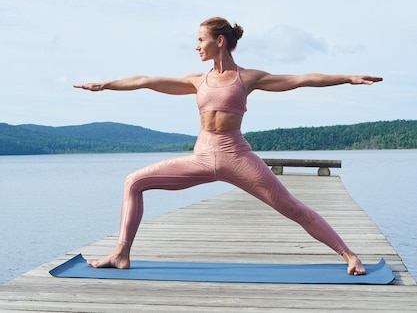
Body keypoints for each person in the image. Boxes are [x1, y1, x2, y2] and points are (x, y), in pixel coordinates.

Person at [74, 17, 382, 275]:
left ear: (219, 40)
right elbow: (145, 80)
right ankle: (121, 254)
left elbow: (301, 78)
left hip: (238, 158)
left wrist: (349, 78)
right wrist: (104, 85)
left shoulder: (247, 78)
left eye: (200, 39)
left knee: (292, 207)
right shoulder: (197, 80)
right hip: (201, 158)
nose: (196, 46)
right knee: (134, 182)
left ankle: (349, 256)